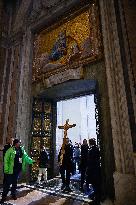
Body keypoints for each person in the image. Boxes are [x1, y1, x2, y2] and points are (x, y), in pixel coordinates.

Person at [0, 138, 35, 203]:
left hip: (17, 170)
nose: (20, 143)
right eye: (19, 142)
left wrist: (31, 161)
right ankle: (3, 197)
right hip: (10, 171)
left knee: (14, 183)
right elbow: (6, 160)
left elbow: (26, 157)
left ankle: (13, 194)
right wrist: (6, 170)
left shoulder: (22, 149)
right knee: (7, 184)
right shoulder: (10, 150)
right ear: (16, 143)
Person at [86, 138, 101, 205]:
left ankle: (97, 200)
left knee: (95, 184)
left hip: (93, 169)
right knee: (95, 184)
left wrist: (88, 169)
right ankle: (95, 197)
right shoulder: (96, 148)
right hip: (95, 168)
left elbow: (91, 160)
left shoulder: (92, 150)